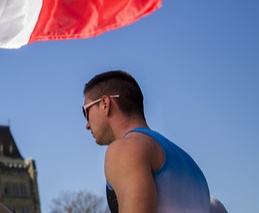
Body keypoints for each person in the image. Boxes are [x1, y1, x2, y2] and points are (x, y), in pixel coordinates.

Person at [82, 70, 210, 213]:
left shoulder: (125, 149)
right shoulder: (191, 166)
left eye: (86, 111)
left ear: (105, 104)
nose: (87, 125)